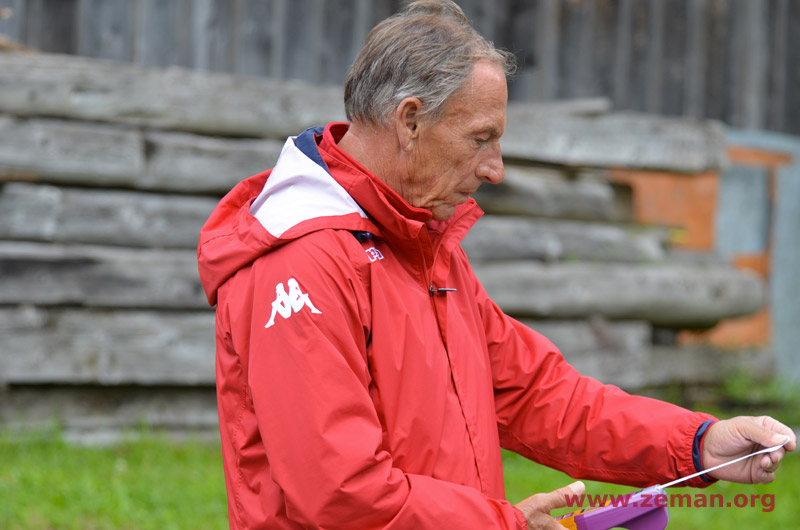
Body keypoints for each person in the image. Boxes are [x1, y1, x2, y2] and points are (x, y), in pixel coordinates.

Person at [197, 1, 795, 528]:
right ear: (409, 121)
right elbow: (340, 496)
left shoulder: (418, 243)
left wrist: (697, 445)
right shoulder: (300, 264)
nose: (495, 168)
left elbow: (539, 395)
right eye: (481, 138)